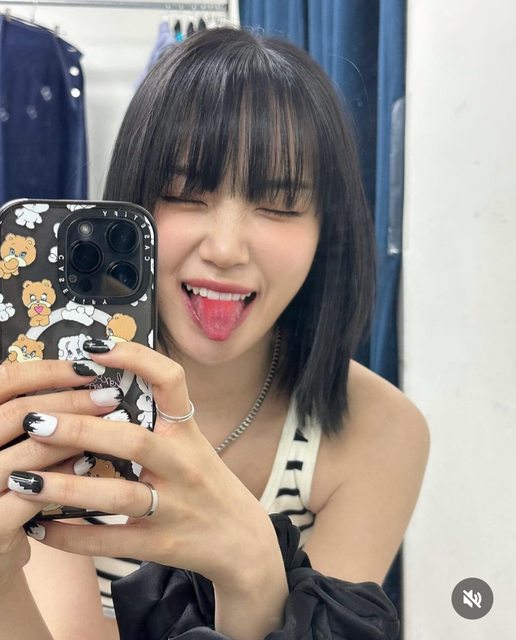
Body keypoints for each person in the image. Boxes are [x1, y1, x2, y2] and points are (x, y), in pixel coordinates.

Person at [0, 27, 430, 640]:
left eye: (278, 205)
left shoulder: (381, 431)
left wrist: (253, 570)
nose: (225, 249)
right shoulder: (59, 398)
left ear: (326, 230)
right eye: (184, 195)